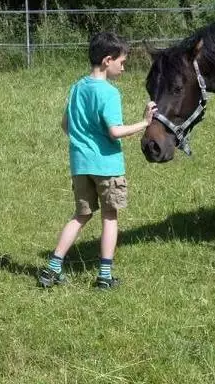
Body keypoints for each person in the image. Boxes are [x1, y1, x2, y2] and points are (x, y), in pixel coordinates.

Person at [38, 32, 156, 290]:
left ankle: (53, 267)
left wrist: (83, 142)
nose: (123, 67)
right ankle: (104, 276)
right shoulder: (109, 93)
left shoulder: (77, 87)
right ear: (107, 61)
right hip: (107, 166)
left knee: (81, 215)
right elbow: (114, 131)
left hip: (80, 165)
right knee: (110, 217)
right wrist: (144, 123)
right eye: (122, 62)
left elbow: (65, 125)